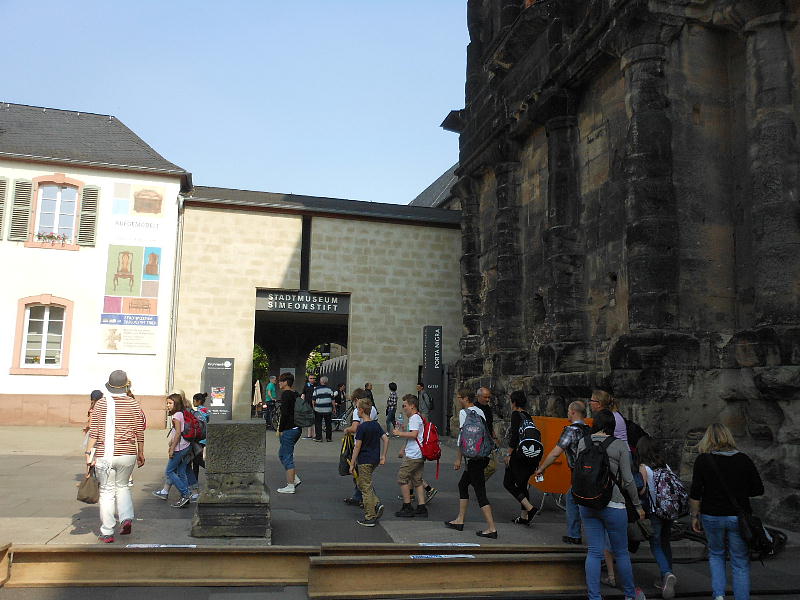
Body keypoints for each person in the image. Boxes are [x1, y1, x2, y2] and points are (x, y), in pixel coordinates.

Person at [576, 409, 646, 600]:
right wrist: (637, 505)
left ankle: (594, 596)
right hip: (614, 504)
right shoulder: (619, 445)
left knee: (594, 552)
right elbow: (628, 480)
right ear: (612, 426)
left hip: (588, 502)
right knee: (621, 553)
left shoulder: (583, 442)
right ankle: (630, 594)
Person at [689, 423, 764, 600]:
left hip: (711, 515)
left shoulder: (703, 460)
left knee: (716, 554)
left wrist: (694, 516)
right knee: (740, 561)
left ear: (707, 439)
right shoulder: (743, 459)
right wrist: (740, 490)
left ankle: (719, 595)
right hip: (737, 517)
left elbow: (695, 492)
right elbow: (758, 489)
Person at [85, 370, 145, 543]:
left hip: (105, 454)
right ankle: (126, 518)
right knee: (123, 486)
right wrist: (141, 452)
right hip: (127, 453)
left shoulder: (100, 404)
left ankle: (107, 531)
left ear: (109, 386)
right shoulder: (134, 404)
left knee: (106, 491)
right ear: (125, 386)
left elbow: (94, 432)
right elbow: (139, 430)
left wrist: (88, 454)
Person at [535, 400, 590, 544]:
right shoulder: (590, 429)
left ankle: (575, 535)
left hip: (578, 472)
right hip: (591, 472)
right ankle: (575, 534)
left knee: (575, 501)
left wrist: (542, 468)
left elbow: (555, 453)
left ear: (573, 412)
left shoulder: (571, 430)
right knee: (574, 499)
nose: (568, 414)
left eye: (568, 411)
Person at [444, 388, 497, 538]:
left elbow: (463, 438)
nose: (458, 400)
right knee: (462, 485)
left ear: (466, 398)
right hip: (482, 455)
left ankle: (492, 528)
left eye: (459, 398)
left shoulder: (464, 413)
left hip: (474, 459)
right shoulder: (480, 411)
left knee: (480, 493)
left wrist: (458, 459)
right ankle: (460, 520)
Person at [637, 435, 677, 599]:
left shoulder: (643, 467)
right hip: (668, 510)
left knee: (656, 544)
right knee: (666, 543)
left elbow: (642, 490)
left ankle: (666, 573)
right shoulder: (665, 466)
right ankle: (667, 577)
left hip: (654, 512)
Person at [503, 390, 542, 525]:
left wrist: (508, 454)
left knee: (508, 483)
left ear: (514, 402)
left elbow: (514, 436)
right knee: (522, 484)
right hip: (530, 455)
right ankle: (524, 517)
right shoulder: (527, 416)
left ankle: (530, 508)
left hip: (518, 455)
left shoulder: (516, 415)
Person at [349, 397, 388, 526]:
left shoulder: (361, 427)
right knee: (363, 483)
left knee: (365, 487)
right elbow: (386, 439)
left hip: (364, 460)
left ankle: (370, 515)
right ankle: (376, 503)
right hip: (374, 459)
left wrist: (352, 463)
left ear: (361, 410)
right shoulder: (376, 425)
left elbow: (357, 446)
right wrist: (383, 456)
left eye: (357, 409)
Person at [393, 394, 428, 518]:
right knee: (417, 480)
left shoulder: (414, 418)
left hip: (413, 454)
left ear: (412, 406)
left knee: (402, 478)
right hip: (419, 453)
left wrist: (399, 433)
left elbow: (413, 435)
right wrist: (403, 448)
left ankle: (407, 506)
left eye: (405, 406)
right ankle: (422, 507)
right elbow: (415, 435)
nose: (404, 408)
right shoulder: (418, 417)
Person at [343, 388, 376, 506]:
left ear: (356, 400)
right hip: (372, 444)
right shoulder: (373, 408)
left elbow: (355, 427)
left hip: (360, 444)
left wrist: (347, 430)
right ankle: (358, 496)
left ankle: (372, 501)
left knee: (361, 475)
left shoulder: (358, 410)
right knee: (363, 474)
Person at [163, 393, 193, 508]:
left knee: (169, 471)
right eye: (167, 403)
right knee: (181, 471)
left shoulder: (176, 416)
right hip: (186, 446)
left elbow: (178, 434)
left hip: (180, 448)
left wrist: (172, 449)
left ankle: (185, 494)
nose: (168, 405)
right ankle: (185, 497)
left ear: (176, 404)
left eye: (170, 403)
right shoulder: (181, 413)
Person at [277, 372, 303, 493]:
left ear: (286, 382)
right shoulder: (294, 393)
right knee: (282, 454)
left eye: (281, 381)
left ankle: (290, 485)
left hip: (289, 429)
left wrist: (280, 430)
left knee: (287, 457)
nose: (279, 383)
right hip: (297, 428)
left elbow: (285, 414)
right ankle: (294, 479)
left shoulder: (286, 394)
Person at [189, 392, 210, 500]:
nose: (193, 403)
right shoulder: (206, 411)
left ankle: (212, 470)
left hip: (198, 439)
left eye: (194, 401)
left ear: (198, 401)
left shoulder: (197, 413)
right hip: (204, 438)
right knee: (196, 462)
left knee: (197, 460)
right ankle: (195, 484)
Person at [312, 375, 335, 442]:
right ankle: (328, 438)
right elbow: (333, 400)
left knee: (318, 423)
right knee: (328, 423)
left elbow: (313, 400)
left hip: (318, 409)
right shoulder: (330, 389)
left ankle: (319, 438)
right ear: (327, 382)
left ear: (320, 381)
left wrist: (313, 407)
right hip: (328, 409)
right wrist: (334, 408)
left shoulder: (316, 389)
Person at [302, 374, 318, 439]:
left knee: (315, 419)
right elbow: (303, 394)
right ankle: (309, 435)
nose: (312, 379)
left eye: (313, 378)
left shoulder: (317, 385)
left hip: (315, 405)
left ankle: (315, 435)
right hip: (308, 404)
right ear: (308, 379)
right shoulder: (306, 385)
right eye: (310, 378)